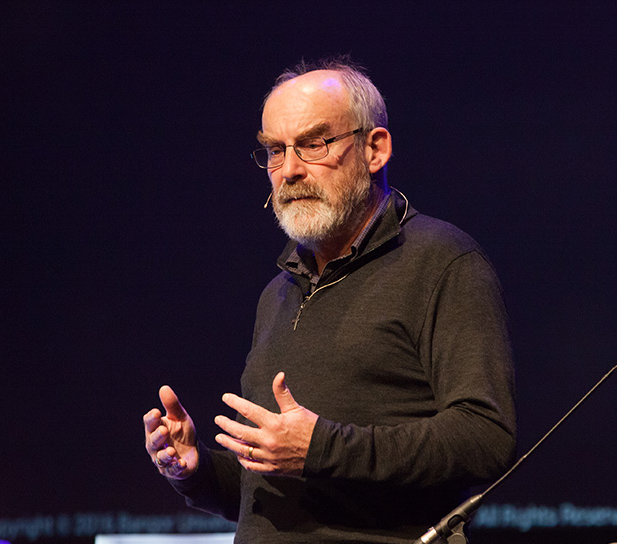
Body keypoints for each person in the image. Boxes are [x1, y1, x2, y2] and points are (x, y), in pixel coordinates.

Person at [144, 57, 516, 543]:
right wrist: (195, 472)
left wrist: (322, 448)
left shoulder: (443, 263)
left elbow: (486, 437)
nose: (290, 171)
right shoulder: (277, 293)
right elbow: (271, 491)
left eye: (313, 144)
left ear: (375, 148)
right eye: (275, 151)